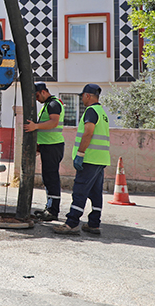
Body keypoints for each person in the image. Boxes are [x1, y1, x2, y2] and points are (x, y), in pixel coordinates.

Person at [53, 83, 110, 236]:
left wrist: (80, 154)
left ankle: (71, 224)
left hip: (90, 159)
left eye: (82, 96)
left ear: (88, 96)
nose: (82, 100)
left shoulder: (91, 111)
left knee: (80, 190)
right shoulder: (102, 112)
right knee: (95, 192)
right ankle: (94, 224)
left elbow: (88, 133)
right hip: (101, 159)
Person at [23, 82, 64, 221]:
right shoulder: (48, 105)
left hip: (53, 146)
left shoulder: (53, 104)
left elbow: (53, 122)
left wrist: (35, 126)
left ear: (43, 92)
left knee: (51, 178)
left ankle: (53, 211)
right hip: (48, 146)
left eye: (36, 95)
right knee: (48, 178)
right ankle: (50, 207)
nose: (36, 99)